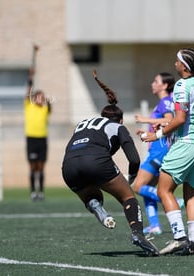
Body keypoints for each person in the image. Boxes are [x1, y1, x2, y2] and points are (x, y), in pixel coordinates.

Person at [61, 70, 159, 256]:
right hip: (96, 161)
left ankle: (95, 205)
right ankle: (138, 234)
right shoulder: (117, 126)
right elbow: (134, 159)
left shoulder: (84, 122)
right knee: (128, 198)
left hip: (68, 165)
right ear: (120, 119)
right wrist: (130, 177)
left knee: (91, 193)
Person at [141, 47, 194, 255]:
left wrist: (157, 135)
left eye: (177, 61)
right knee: (191, 195)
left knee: (164, 190)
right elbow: (185, 118)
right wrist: (166, 126)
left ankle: (179, 237)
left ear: (184, 65)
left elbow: (181, 119)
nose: (175, 64)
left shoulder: (182, 85)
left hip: (187, 144)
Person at [133, 72, 178, 236]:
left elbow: (169, 121)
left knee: (138, 186)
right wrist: (145, 131)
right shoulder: (164, 102)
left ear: (164, 85)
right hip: (157, 147)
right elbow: (160, 125)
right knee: (147, 187)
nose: (153, 83)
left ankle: (175, 202)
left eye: (156, 81)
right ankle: (154, 225)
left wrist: (145, 120)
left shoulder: (166, 101)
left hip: (160, 150)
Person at [24, 67, 51, 201]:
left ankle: (41, 191)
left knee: (41, 167)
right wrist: (31, 78)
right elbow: (27, 93)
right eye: (38, 96)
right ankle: (32, 192)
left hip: (42, 139)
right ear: (33, 98)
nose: (40, 99)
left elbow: (50, 102)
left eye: (42, 96)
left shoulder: (46, 108)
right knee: (32, 166)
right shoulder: (29, 105)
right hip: (31, 139)